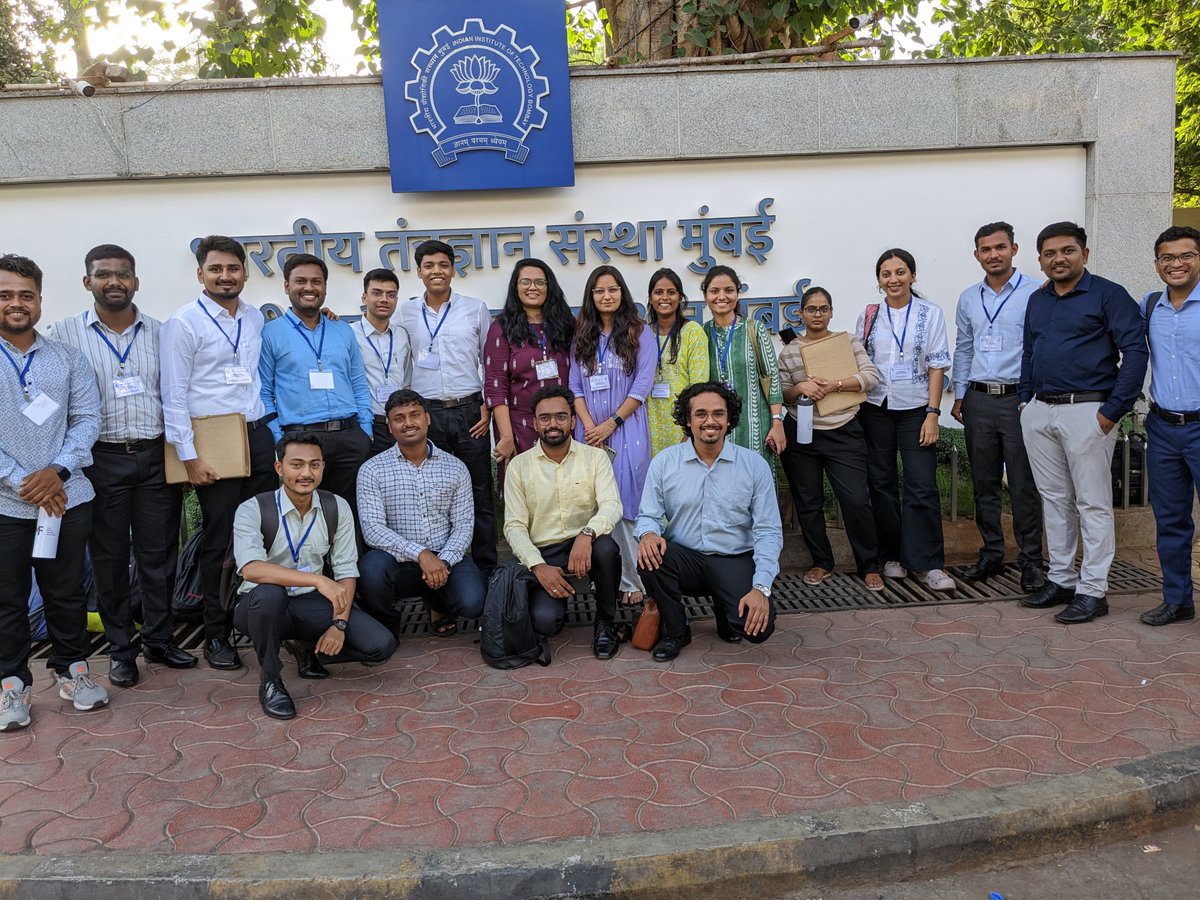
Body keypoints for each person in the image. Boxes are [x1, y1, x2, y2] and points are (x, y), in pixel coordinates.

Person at [46, 243, 194, 688]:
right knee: (109, 560)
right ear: (87, 281)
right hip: (99, 460)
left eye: (123, 274)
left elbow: (176, 395)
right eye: (104, 274)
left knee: (159, 554)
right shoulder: (64, 334)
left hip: (151, 455)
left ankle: (160, 638)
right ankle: (121, 649)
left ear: (136, 282)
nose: (115, 282)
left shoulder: (162, 332)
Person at [1019, 221, 1148, 624]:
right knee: (1054, 500)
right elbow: (1029, 352)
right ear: (1040, 260)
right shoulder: (1038, 300)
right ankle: (1061, 579)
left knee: (1091, 503)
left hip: (1088, 411)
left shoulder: (1109, 295)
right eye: (1050, 253)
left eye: (1067, 251)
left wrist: (1112, 410)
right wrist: (1025, 401)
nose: (1059, 259)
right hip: (1040, 410)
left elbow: (1135, 352)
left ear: (1084, 255)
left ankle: (1093, 590)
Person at [0, 254, 107, 732]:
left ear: (40, 300)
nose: (16, 304)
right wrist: (22, 481)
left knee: (65, 593)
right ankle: (11, 685)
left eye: (26, 295)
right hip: (6, 503)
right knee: (7, 599)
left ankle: (74, 672)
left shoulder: (66, 357)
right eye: (5, 295)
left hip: (67, 498)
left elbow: (87, 418)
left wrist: (57, 472)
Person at [161, 235, 278, 670]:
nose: (225, 276)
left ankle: (264, 619)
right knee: (219, 541)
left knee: (267, 532)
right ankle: (216, 634)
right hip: (213, 442)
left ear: (245, 273)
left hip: (257, 435)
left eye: (233, 269)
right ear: (200, 274)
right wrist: (189, 457)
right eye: (216, 269)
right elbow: (172, 395)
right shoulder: (184, 323)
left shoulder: (253, 318)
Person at [232, 433, 395, 720]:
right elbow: (252, 569)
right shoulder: (253, 508)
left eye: (314, 465)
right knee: (270, 594)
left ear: (322, 467)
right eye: (296, 464)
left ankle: (307, 648)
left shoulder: (336, 506)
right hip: (261, 605)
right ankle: (271, 681)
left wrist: (339, 624)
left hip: (311, 604)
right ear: (279, 468)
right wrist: (319, 580)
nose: (306, 473)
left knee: (380, 645)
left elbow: (346, 570)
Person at [636, 382, 782, 661]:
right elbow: (648, 516)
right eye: (700, 414)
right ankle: (677, 631)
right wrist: (647, 534)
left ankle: (725, 609)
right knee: (650, 555)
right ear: (688, 420)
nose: (710, 421)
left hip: (733, 558)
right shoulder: (665, 462)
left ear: (729, 420)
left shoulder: (754, 466)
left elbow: (768, 531)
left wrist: (761, 588)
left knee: (757, 631)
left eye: (718, 413)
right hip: (684, 558)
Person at [951, 223, 1045, 593]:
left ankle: (1031, 560)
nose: (993, 254)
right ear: (977, 255)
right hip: (978, 399)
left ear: (1014, 249)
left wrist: (1032, 396)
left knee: (1023, 484)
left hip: (1018, 399)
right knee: (984, 482)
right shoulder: (968, 298)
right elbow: (963, 347)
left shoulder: (1036, 291)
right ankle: (991, 551)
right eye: (985, 249)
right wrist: (960, 396)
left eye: (1000, 247)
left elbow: (1041, 346)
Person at [395, 239, 496, 575]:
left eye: (442, 265)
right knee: (433, 494)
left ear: (453, 269)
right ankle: (441, 570)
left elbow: (490, 362)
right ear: (419, 271)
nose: (436, 271)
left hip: (470, 412)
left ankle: (485, 569)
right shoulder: (405, 312)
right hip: (427, 415)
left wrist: (489, 406)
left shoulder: (475, 308)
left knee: (480, 490)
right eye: (428, 266)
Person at [856, 248, 955, 591]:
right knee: (881, 485)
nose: (893, 279)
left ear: (913, 275)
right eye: (886, 273)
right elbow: (861, 363)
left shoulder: (931, 313)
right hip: (876, 408)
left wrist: (932, 413)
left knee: (921, 485)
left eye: (900, 272)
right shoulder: (869, 316)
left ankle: (929, 564)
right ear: (878, 280)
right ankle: (892, 557)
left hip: (916, 409)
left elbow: (937, 365)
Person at [503, 385, 623, 658]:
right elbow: (514, 526)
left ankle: (605, 623)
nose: (553, 424)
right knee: (546, 623)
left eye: (560, 416)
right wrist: (537, 565)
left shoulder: (595, 457)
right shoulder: (519, 467)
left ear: (572, 420)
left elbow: (611, 505)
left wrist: (587, 534)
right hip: (544, 551)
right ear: (534, 423)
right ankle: (553, 601)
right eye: (545, 418)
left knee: (607, 549)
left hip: (587, 545)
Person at [777, 287, 883, 590]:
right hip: (801, 432)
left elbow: (871, 376)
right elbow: (782, 393)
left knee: (855, 500)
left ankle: (868, 565)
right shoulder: (789, 351)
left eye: (823, 309)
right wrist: (801, 389)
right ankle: (822, 562)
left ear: (831, 312)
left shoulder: (846, 342)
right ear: (800, 313)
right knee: (808, 502)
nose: (818, 314)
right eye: (811, 309)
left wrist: (836, 384)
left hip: (844, 429)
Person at [356, 389, 485, 637]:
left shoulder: (455, 467)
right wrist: (421, 554)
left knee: (474, 602)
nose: (408, 423)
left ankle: (437, 604)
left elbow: (463, 525)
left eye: (414, 415)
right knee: (370, 570)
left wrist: (443, 561)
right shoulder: (372, 470)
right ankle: (387, 623)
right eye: (399, 418)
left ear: (427, 418)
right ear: (390, 426)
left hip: (445, 556)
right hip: (397, 560)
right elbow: (373, 530)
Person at [259, 253, 373, 519]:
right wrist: (280, 439)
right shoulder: (270, 333)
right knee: (307, 515)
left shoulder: (342, 330)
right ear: (286, 286)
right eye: (300, 281)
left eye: (316, 281)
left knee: (353, 514)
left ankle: (351, 562)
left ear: (324, 286)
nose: (309, 287)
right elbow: (263, 391)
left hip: (349, 437)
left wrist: (365, 431)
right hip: (300, 439)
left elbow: (358, 381)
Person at [568, 264, 654, 603]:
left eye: (613, 289)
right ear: (591, 296)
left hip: (626, 429)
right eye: (600, 290)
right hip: (588, 432)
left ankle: (633, 582)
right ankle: (602, 579)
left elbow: (643, 384)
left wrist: (611, 424)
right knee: (593, 504)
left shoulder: (638, 332)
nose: (607, 295)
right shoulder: (582, 333)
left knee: (626, 501)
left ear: (622, 293)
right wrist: (589, 426)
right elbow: (574, 385)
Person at [1140, 225, 1200, 627]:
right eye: (1167, 257)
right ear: (1158, 263)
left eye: (1186, 256)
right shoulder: (1148, 306)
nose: (1176, 264)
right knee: (1171, 519)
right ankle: (1178, 599)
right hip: (1162, 427)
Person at [485, 258, 574, 472]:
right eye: (525, 282)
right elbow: (496, 386)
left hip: (563, 424)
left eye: (539, 282)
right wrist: (506, 436)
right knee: (525, 489)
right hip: (518, 426)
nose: (532, 287)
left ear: (549, 287)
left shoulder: (567, 323)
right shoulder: (501, 327)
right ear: (516, 287)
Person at [701, 264, 786, 460]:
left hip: (755, 428)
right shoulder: (702, 333)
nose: (721, 296)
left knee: (756, 481)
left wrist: (777, 423)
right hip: (715, 428)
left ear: (738, 293)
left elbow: (772, 378)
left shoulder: (754, 329)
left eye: (729, 290)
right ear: (706, 296)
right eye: (714, 291)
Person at [645, 267, 709, 456]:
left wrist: (689, 431)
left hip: (682, 425)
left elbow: (699, 386)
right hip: (649, 424)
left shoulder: (692, 331)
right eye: (658, 292)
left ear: (680, 298)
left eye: (671, 292)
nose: (665, 298)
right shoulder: (643, 333)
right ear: (650, 298)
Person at [352, 268, 410, 456]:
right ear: (364, 297)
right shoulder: (349, 334)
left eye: (390, 294)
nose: (384, 299)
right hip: (365, 424)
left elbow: (407, 380)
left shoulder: (402, 335)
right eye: (377, 293)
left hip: (399, 424)